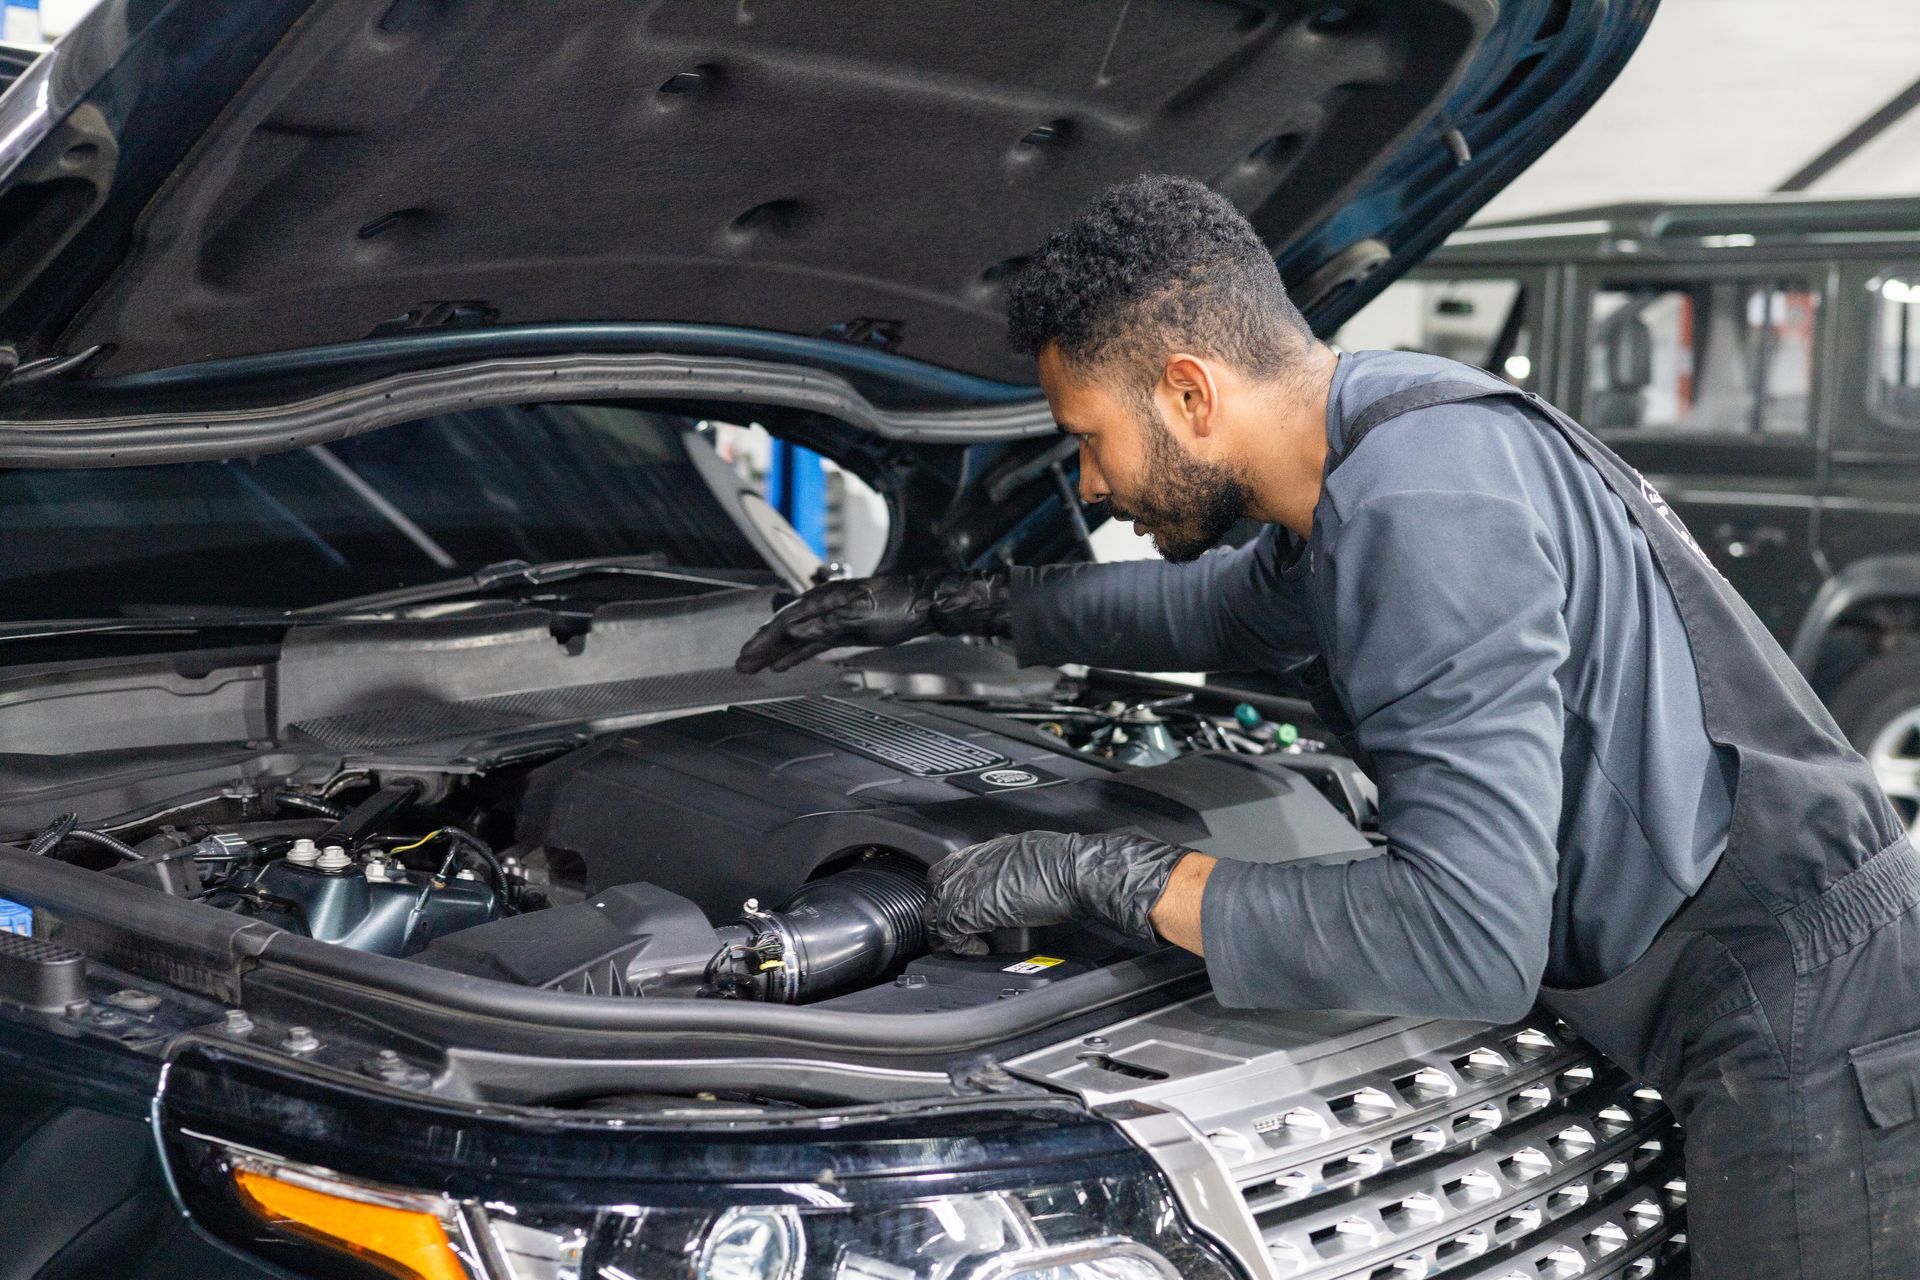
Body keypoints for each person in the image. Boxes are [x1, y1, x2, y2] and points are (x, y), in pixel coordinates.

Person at [735, 175, 1920, 1277]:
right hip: (1779, 975)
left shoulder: (1422, 509)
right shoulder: (1385, 433)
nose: (1087, 483)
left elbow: (1466, 938)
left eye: (1089, 437)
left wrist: (1101, 871)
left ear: (1191, 393)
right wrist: (959, 603)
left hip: (1812, 1017)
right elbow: (1227, 607)